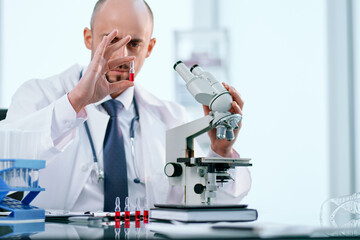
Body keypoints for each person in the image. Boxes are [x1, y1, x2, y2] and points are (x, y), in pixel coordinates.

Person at [1, 0, 251, 212]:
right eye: (111, 41)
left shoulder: (172, 118)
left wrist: (221, 153)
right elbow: (6, 162)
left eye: (135, 44)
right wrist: (76, 100)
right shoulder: (37, 95)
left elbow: (207, 205)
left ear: (150, 48)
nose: (122, 56)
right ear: (89, 39)